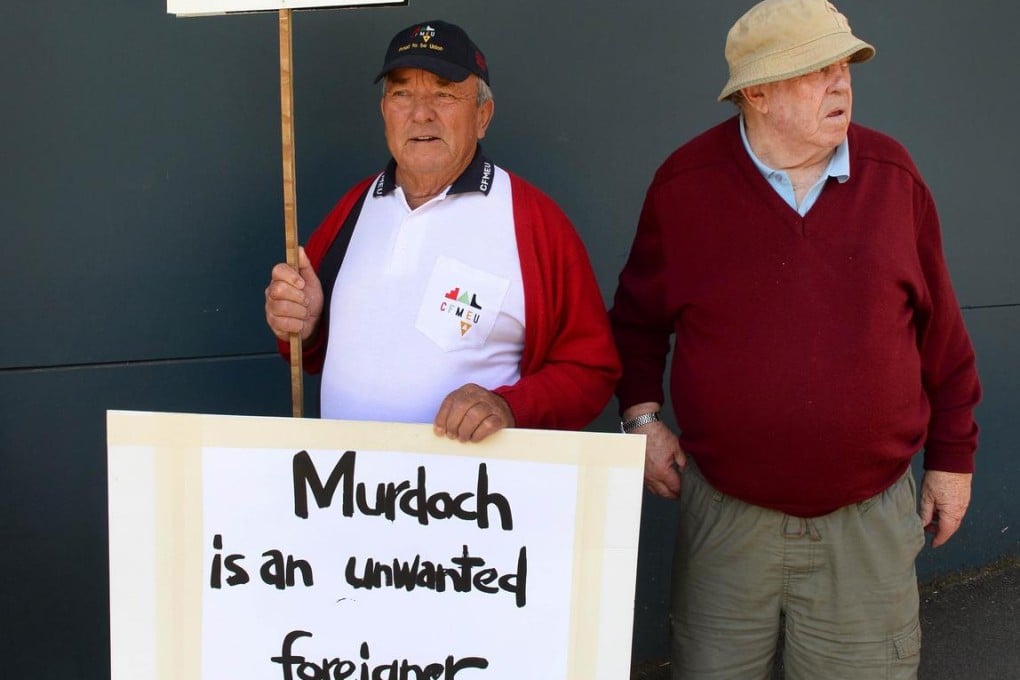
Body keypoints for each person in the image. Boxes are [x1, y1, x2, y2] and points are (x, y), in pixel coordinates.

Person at [609, 1, 981, 678]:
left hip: (866, 519)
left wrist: (953, 459)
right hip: (726, 516)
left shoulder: (894, 178)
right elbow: (636, 321)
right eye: (818, 71)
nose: (842, 85)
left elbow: (943, 338)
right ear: (756, 91)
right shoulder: (684, 186)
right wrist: (641, 418)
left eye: (845, 67)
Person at [265, 20, 619, 442]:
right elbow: (307, 346)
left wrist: (509, 406)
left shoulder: (533, 221)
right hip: (345, 491)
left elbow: (591, 370)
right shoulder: (354, 208)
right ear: (384, 112)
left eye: (444, 94)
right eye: (402, 94)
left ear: (482, 116)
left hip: (466, 501)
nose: (420, 113)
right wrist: (300, 325)